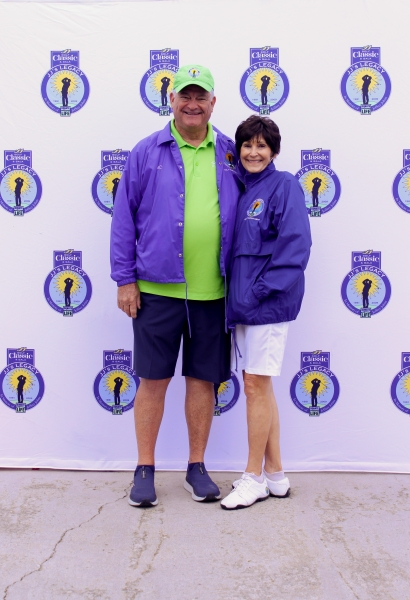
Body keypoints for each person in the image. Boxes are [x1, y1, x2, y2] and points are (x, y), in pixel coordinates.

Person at [110, 64, 240, 508]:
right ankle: (144, 468)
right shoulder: (146, 152)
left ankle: (196, 466)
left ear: (213, 103)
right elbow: (123, 219)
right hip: (156, 291)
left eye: (201, 96)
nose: (192, 104)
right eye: (185, 95)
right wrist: (125, 279)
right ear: (171, 100)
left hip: (214, 294)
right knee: (153, 381)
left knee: (203, 381)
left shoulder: (230, 152)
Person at [221, 115, 311, 510]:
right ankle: (274, 474)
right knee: (260, 386)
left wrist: (259, 291)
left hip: (266, 306)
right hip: (245, 306)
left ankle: (252, 476)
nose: (253, 152)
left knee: (255, 385)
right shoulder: (242, 189)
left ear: (273, 151)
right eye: (247, 145)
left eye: (262, 146)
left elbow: (296, 248)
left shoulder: (284, 185)